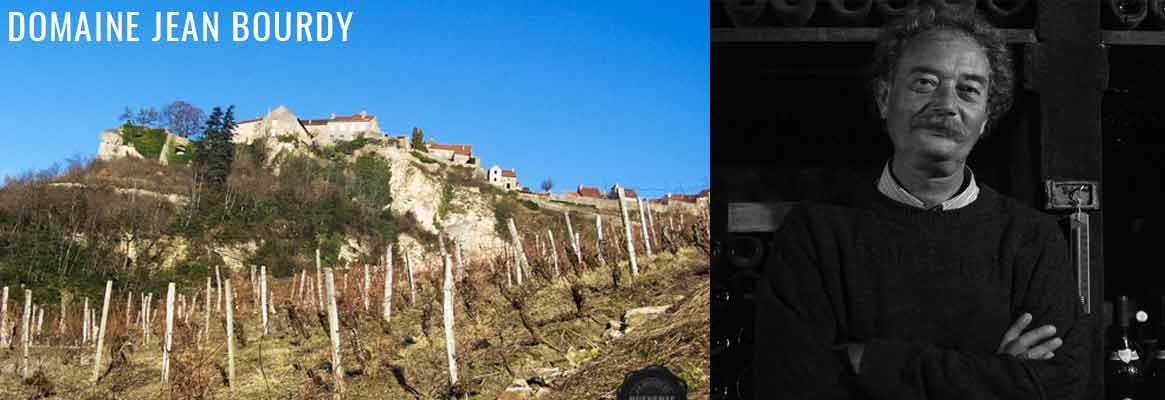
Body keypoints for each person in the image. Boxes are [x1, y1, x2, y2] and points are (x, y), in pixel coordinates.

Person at [753, 6, 1093, 399]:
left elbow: (1062, 385)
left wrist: (871, 363)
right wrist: (997, 375)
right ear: (884, 97)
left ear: (985, 117)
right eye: (925, 82)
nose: (946, 104)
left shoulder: (1032, 240)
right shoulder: (816, 232)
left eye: (969, 89)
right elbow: (789, 384)